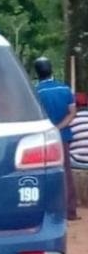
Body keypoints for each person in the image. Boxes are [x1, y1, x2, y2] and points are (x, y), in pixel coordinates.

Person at [34, 57, 80, 220]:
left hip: (43, 139)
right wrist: (58, 128)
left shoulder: (35, 92)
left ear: (37, 72)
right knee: (65, 173)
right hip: (62, 137)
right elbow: (72, 113)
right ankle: (70, 211)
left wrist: (49, 130)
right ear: (51, 69)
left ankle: (50, 212)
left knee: (44, 173)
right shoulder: (65, 89)